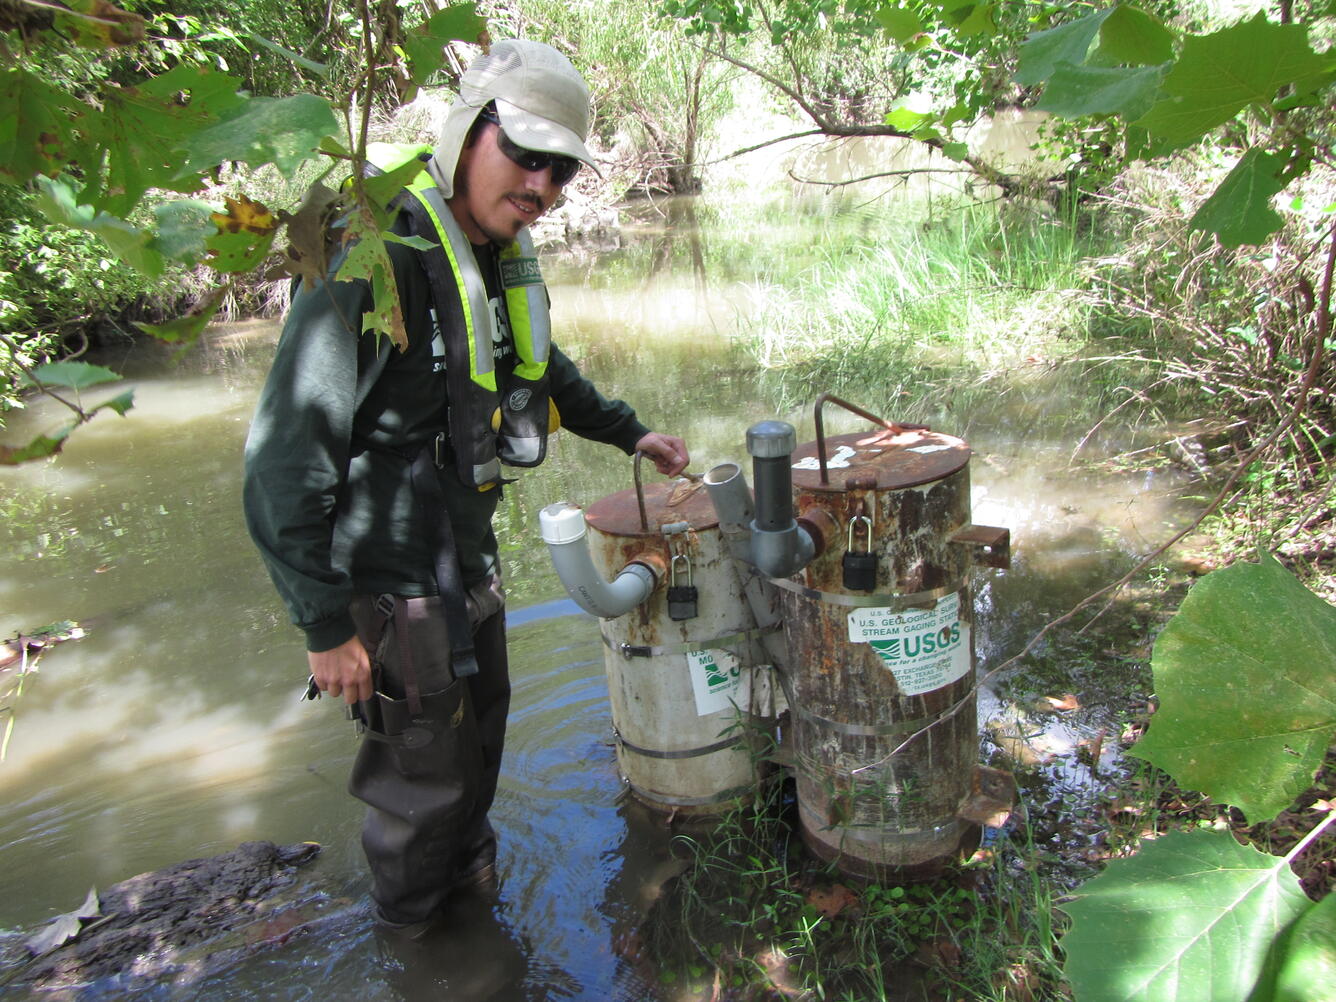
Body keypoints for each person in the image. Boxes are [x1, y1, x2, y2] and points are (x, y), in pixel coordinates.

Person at [242, 39, 688, 935]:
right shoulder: (377, 260)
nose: (543, 186)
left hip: (466, 570)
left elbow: (535, 365)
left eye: (561, 170)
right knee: (420, 795)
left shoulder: (485, 257)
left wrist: (628, 429)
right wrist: (326, 628)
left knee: (476, 763)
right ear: (466, 131)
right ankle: (416, 951)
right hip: (394, 590)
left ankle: (477, 927)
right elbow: (283, 461)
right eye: (526, 155)